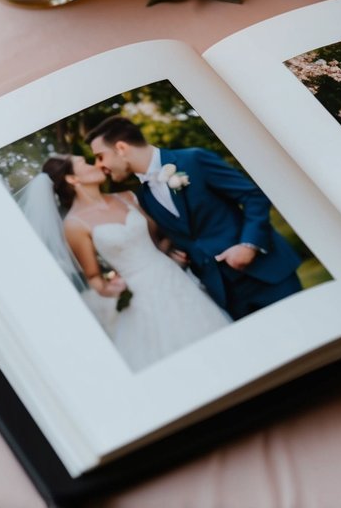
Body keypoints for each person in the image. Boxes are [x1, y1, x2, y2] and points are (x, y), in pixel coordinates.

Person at [22, 154, 229, 372]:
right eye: (85, 164)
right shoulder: (74, 225)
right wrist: (112, 290)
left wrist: (169, 251)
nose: (96, 164)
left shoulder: (128, 197)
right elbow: (93, 278)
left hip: (173, 278)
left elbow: (157, 239)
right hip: (139, 296)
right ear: (73, 180)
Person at [88, 116, 303, 320]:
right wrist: (171, 252)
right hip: (224, 295)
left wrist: (249, 245)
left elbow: (253, 197)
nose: (98, 165)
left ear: (121, 148)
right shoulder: (143, 197)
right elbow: (180, 233)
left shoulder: (194, 159)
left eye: (100, 156)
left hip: (266, 275)